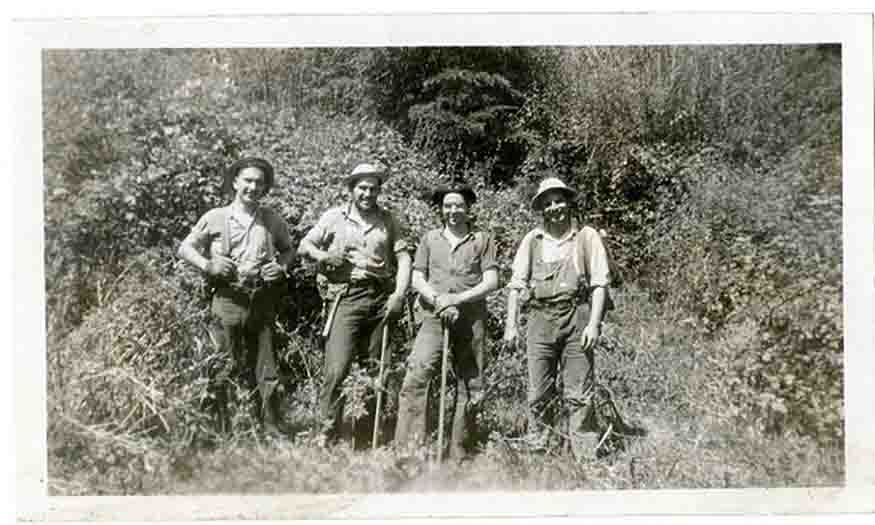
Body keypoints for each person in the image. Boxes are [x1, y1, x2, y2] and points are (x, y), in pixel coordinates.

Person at [177, 157, 296, 436]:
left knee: (265, 366)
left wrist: (280, 268)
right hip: (228, 298)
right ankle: (219, 429)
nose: (253, 187)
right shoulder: (216, 217)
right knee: (222, 363)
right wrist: (208, 265)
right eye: (248, 181)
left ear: (266, 187)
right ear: (235, 183)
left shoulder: (272, 220)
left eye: (259, 182)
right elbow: (185, 248)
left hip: (262, 299)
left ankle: (269, 427)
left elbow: (289, 250)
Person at [298, 162, 411, 445]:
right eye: (362, 187)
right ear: (351, 189)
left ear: (379, 191)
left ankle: (365, 434)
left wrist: (398, 295)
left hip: (380, 298)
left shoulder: (388, 220)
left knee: (376, 368)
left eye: (373, 188)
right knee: (337, 367)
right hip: (345, 298)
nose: (367, 193)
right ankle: (326, 431)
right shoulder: (334, 217)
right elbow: (304, 246)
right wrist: (325, 258)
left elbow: (405, 259)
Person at [503, 176, 613, 460]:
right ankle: (540, 448)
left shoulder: (586, 237)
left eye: (559, 201)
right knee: (538, 388)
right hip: (540, 319)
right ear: (541, 208)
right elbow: (516, 284)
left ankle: (585, 455)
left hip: (577, 317)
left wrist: (593, 324)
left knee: (579, 390)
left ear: (569, 203)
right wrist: (511, 325)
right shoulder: (532, 240)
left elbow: (600, 283)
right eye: (548, 203)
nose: (554, 208)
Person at [394, 185, 499, 462]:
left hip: (471, 318)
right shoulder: (429, 239)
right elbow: (417, 278)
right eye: (447, 206)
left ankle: (460, 453)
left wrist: (458, 299)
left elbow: (491, 281)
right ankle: (409, 452)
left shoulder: (482, 240)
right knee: (417, 372)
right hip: (433, 316)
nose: (453, 211)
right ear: (441, 209)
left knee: (470, 383)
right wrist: (439, 299)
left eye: (459, 206)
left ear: (469, 209)